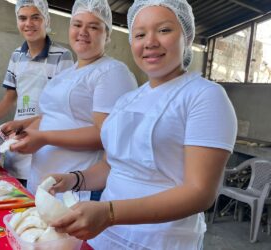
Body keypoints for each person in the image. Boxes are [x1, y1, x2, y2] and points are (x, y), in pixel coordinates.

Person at [47, 0, 238, 249]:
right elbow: (112, 165)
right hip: (103, 236)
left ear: (187, 36)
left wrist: (110, 213)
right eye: (139, 34)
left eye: (164, 30)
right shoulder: (128, 99)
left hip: (161, 241)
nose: (150, 42)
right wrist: (73, 179)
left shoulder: (204, 96)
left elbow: (200, 192)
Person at [5, 0, 137, 200]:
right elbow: (49, 117)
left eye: (93, 27)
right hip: (43, 182)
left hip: (77, 187)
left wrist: (44, 138)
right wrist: (23, 129)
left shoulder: (111, 72)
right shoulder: (68, 73)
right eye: (77, 25)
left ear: (107, 34)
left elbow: (106, 135)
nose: (83, 32)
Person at [0, 0, 74, 186]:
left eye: (35, 17)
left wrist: (25, 124)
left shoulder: (62, 56)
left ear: (46, 20)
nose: (28, 23)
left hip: (46, 141)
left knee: (40, 194)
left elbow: (62, 108)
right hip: (16, 139)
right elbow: (10, 97)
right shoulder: (16, 56)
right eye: (23, 18)